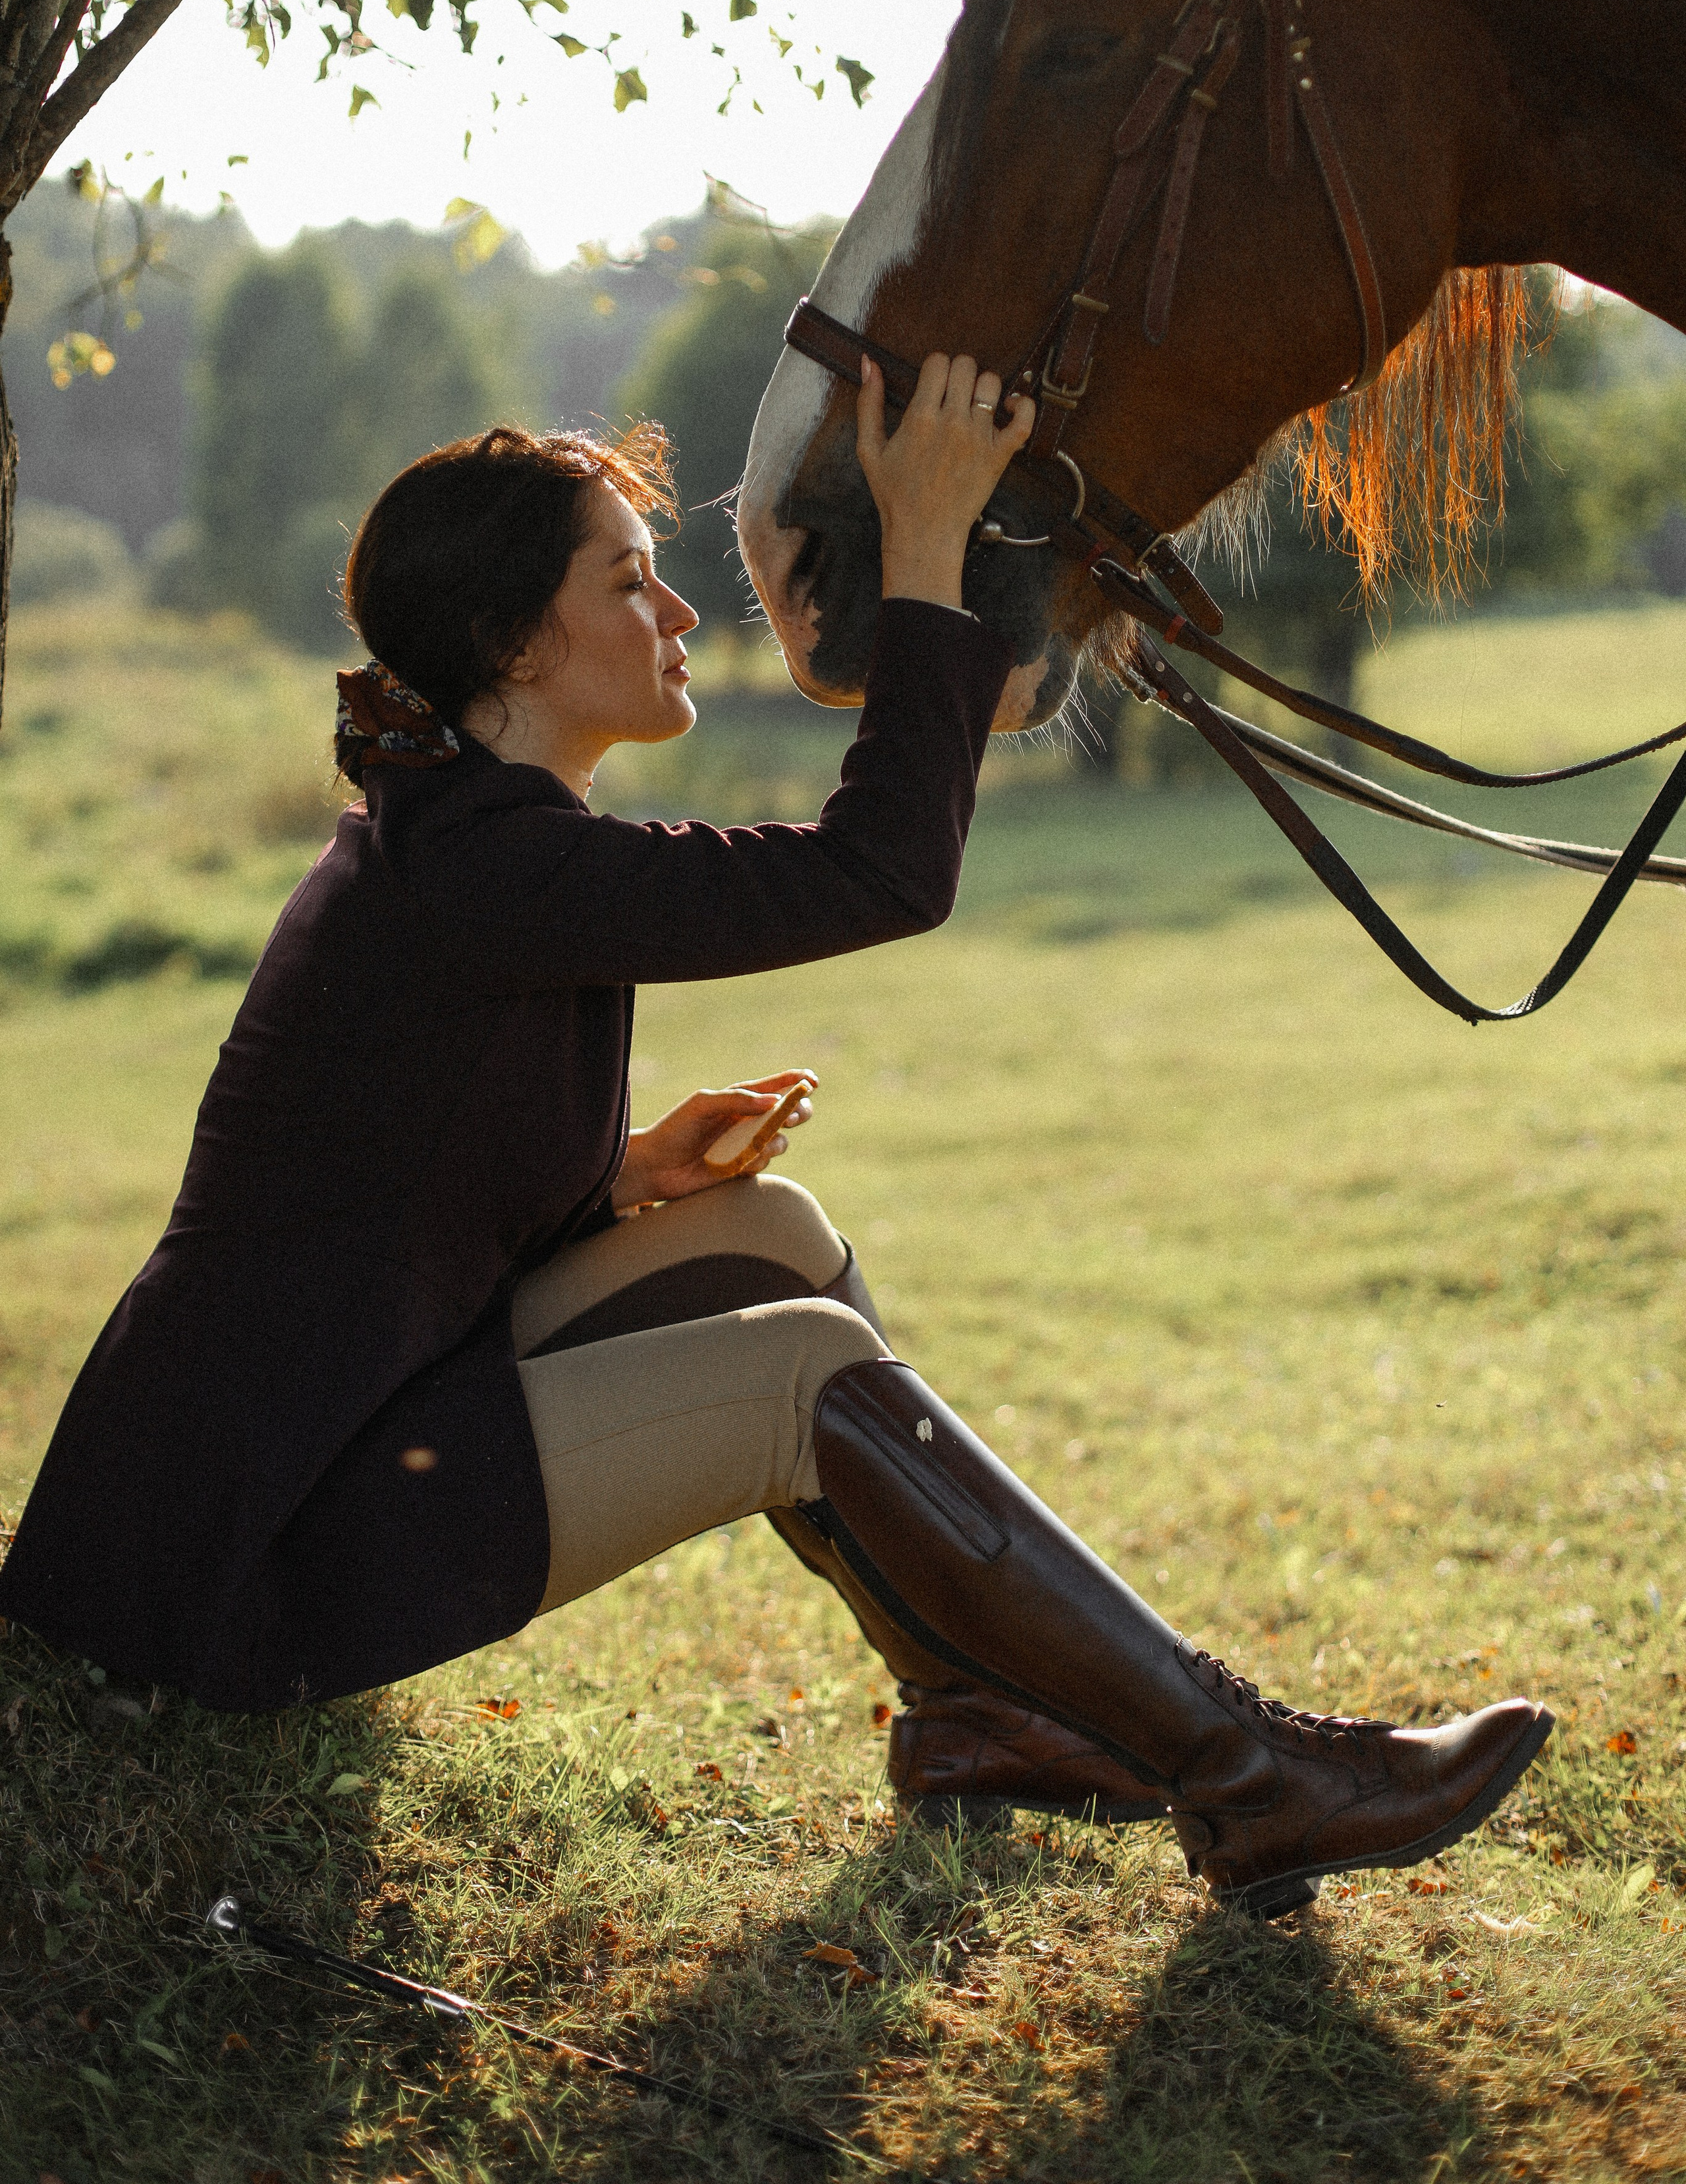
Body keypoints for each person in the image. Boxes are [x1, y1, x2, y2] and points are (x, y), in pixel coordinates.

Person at [0, 354, 1551, 1917]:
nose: (680, 613)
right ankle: (1252, 1779)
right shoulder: (486, 868)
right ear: (514, 646)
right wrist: (925, 548)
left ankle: (974, 1710)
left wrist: (619, 1179)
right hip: (238, 1557)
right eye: (629, 583)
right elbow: (879, 871)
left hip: (308, 1442)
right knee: (797, 1371)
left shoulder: (466, 840)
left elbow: (365, 1198)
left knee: (768, 1236)